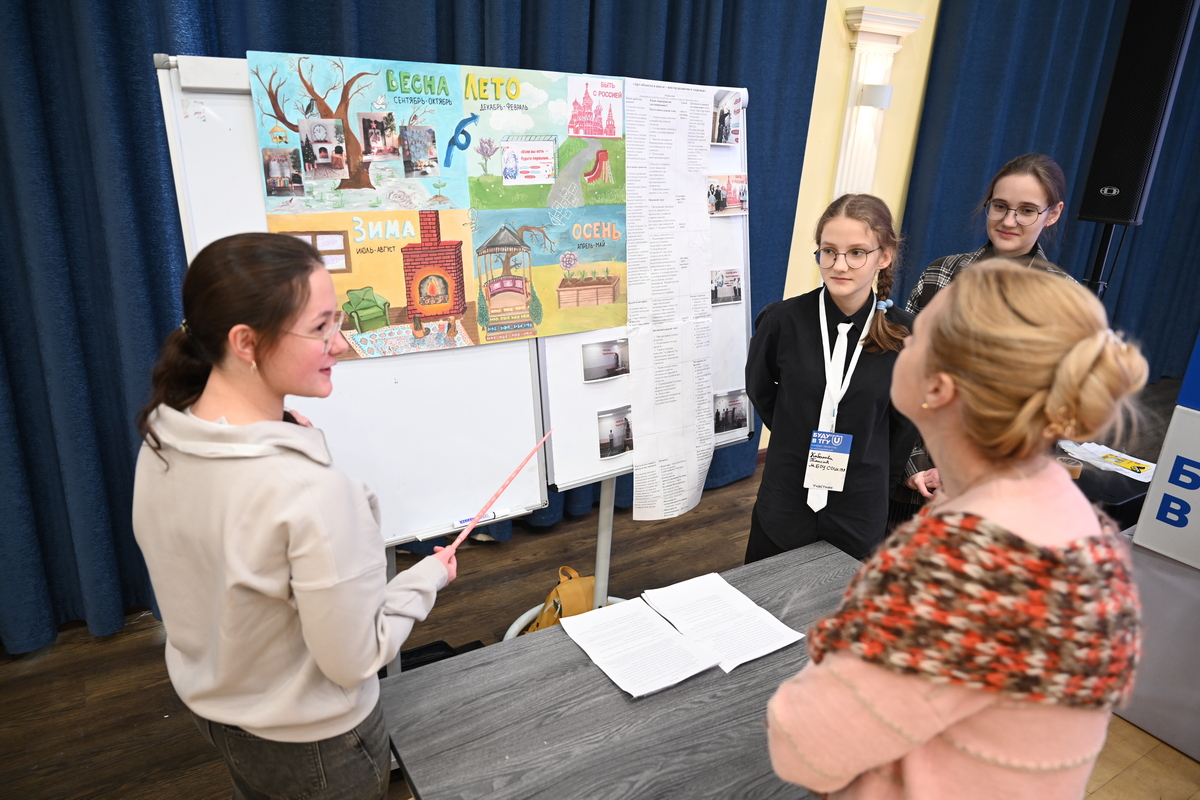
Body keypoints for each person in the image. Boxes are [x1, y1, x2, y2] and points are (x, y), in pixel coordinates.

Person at [767, 260, 1145, 799]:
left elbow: (803, 746)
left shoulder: (967, 565)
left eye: (917, 335)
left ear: (937, 387)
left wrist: (850, 636)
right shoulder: (1063, 514)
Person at [132, 233, 457, 800]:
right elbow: (354, 659)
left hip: (221, 716)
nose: (342, 344)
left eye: (338, 322)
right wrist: (425, 579)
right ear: (245, 342)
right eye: (321, 327)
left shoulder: (165, 435)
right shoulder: (310, 492)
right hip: (315, 747)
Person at [745, 194, 917, 563]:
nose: (839, 265)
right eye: (829, 251)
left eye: (857, 253)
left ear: (884, 256)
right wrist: (796, 431)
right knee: (767, 590)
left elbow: (905, 423)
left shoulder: (907, 335)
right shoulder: (781, 322)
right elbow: (760, 390)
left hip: (859, 504)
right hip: (787, 495)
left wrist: (877, 476)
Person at [899, 153, 1070, 507]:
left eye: (1027, 210)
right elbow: (903, 375)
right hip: (912, 476)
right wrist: (915, 463)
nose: (1008, 221)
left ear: (1052, 214)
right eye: (1000, 206)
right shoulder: (939, 275)